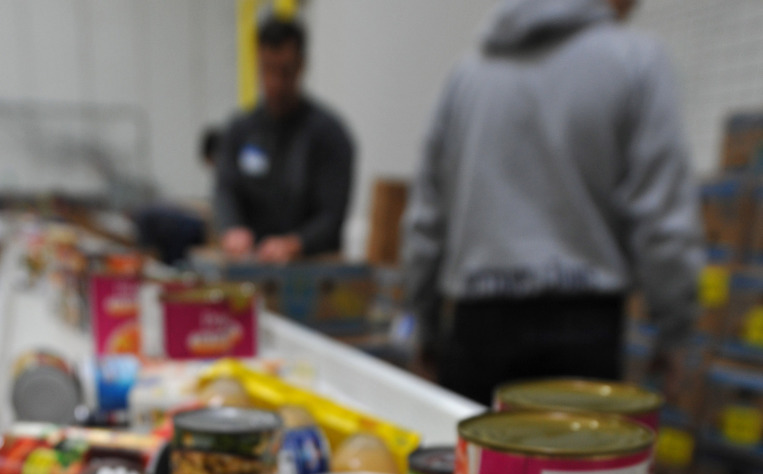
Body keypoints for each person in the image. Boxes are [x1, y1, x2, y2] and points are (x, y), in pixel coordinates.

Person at [402, 0, 703, 406]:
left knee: (477, 468)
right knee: (576, 470)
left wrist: (424, 324)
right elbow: (662, 218)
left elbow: (426, 216)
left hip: (477, 327)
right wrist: (675, 331)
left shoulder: (466, 76)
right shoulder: (638, 61)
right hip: (581, 331)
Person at [214, 16, 355, 264]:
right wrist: (232, 228)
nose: (275, 83)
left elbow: (331, 216)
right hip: (249, 265)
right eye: (267, 69)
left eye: (285, 71)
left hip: (309, 272)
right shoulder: (240, 131)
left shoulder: (329, 136)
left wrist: (296, 243)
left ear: (301, 66)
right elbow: (226, 189)